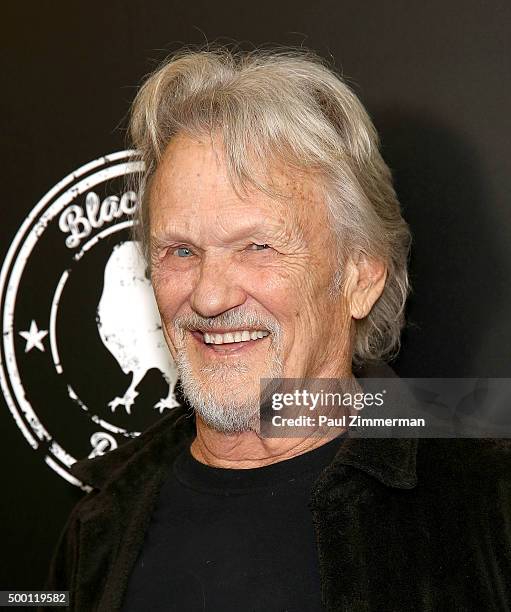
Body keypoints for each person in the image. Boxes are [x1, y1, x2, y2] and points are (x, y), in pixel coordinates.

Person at [44, 48, 511, 611]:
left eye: (257, 247)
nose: (210, 295)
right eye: (181, 250)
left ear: (361, 277)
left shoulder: (485, 504)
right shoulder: (102, 521)